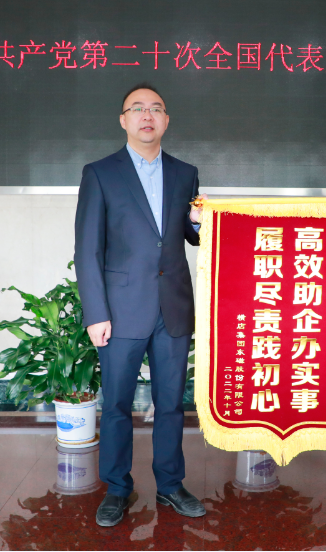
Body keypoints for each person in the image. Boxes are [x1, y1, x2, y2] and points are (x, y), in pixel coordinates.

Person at [74, 83, 208, 527]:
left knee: (171, 404)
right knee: (116, 405)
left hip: (173, 308)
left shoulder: (186, 173)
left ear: (166, 120)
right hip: (120, 311)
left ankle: (170, 485)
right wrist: (96, 313)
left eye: (155, 109)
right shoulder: (100, 173)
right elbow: (87, 248)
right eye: (137, 109)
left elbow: (189, 236)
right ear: (123, 120)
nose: (146, 116)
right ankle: (117, 487)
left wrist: (197, 222)